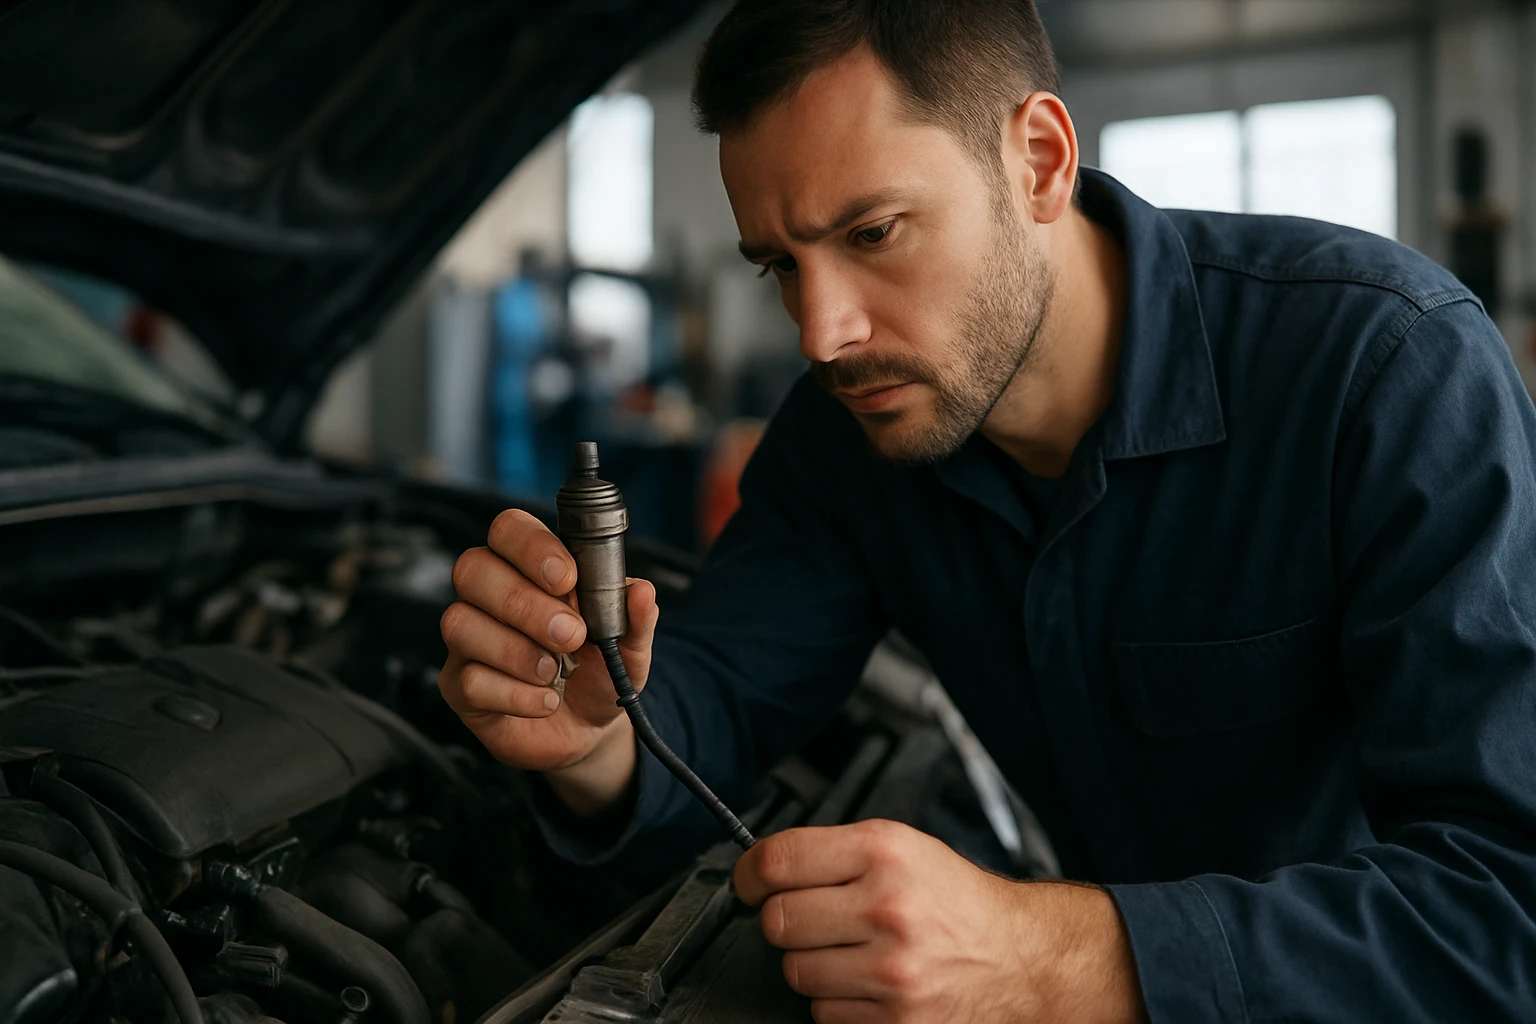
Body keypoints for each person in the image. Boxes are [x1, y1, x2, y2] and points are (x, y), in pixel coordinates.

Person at [436, 1, 1536, 1020]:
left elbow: (1507, 905)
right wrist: (594, 742)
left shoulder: (1386, 373)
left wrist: (1047, 956)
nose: (821, 334)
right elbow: (721, 694)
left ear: (1040, 160)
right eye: (780, 264)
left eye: (873, 233)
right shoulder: (846, 438)